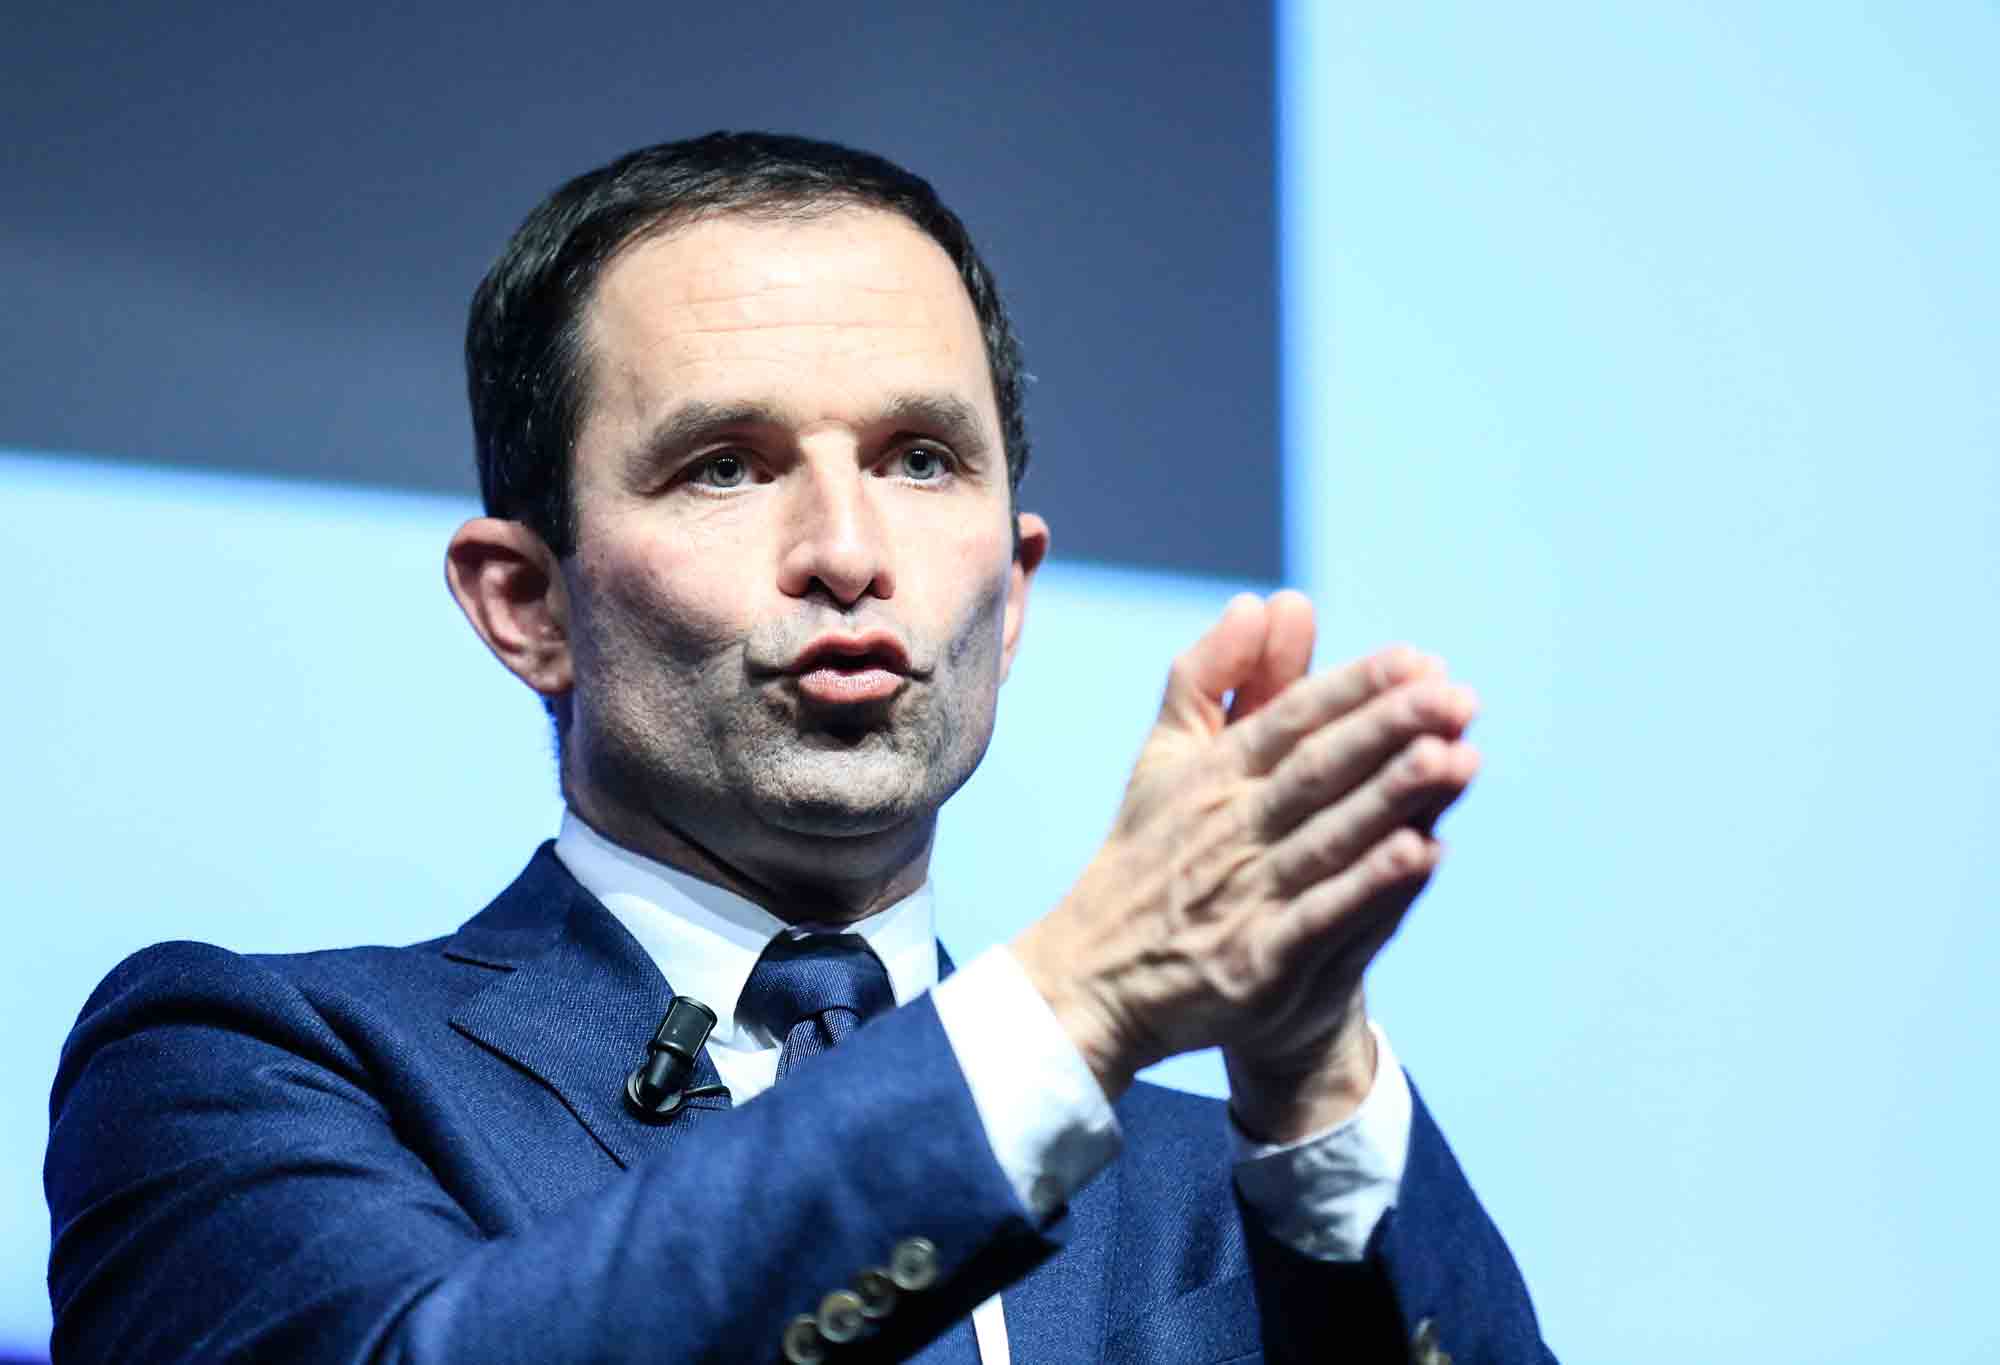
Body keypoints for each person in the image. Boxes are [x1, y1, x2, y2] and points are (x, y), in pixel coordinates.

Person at [45, 132, 1555, 1363]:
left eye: (918, 459)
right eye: (723, 467)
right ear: (526, 603)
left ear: (1014, 589)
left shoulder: (1230, 1184)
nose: (848, 550)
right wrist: (1088, 993)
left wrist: (1306, 1063)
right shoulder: (248, 1067)